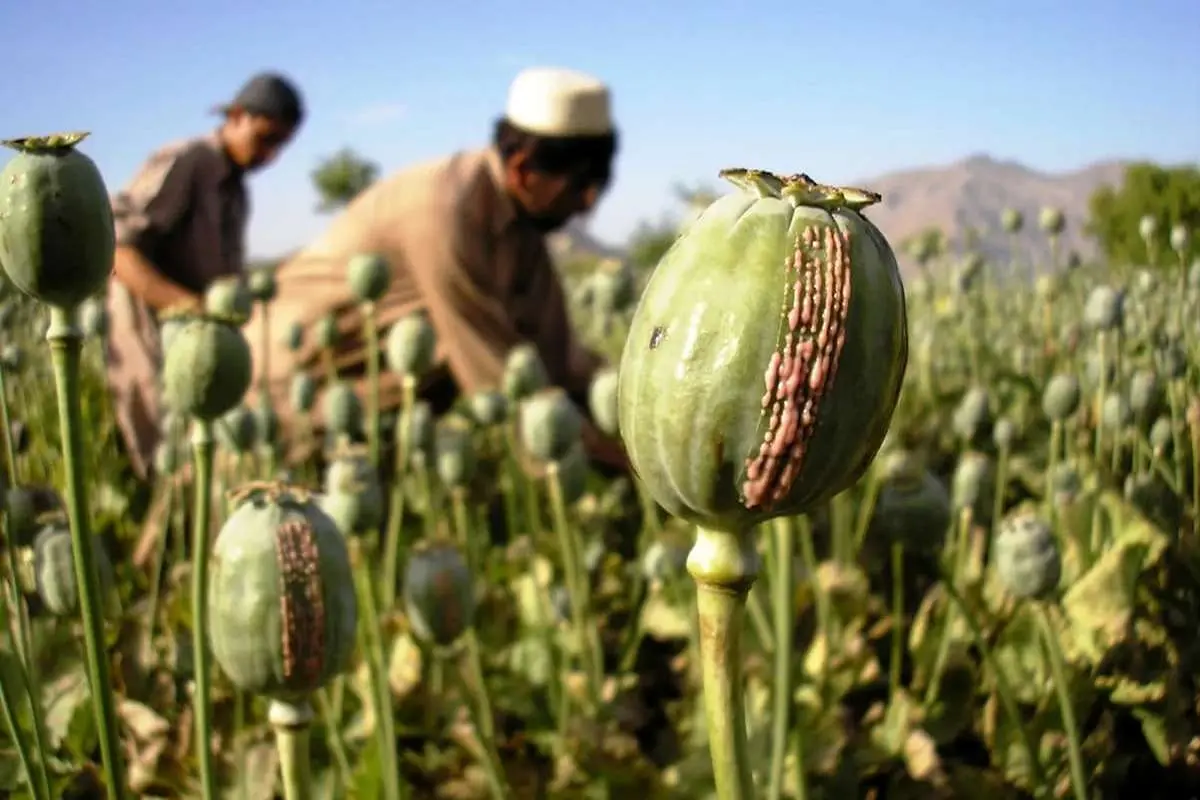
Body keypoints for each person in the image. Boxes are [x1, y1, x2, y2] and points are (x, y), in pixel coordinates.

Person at [243, 66, 628, 472]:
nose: (587, 205)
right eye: (581, 187)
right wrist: (639, 475)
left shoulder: (522, 229)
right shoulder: (444, 213)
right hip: (282, 398)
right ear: (522, 169)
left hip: (366, 416)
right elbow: (506, 390)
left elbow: (562, 361)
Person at [106, 72, 304, 482]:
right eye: (266, 139)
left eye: (280, 146)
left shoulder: (236, 189)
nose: (271, 156)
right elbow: (119, 249)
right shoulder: (190, 161)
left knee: (201, 459)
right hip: (150, 330)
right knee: (165, 460)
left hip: (197, 338)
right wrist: (191, 308)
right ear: (235, 117)